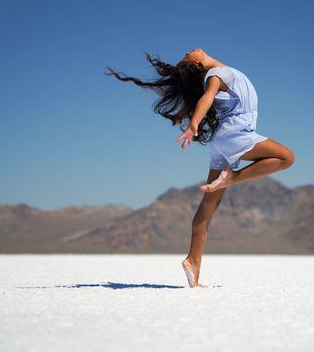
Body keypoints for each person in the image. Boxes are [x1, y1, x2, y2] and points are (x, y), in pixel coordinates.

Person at [105, 48, 295, 287]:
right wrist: (193, 124)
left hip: (221, 142)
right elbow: (207, 98)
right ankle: (233, 177)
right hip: (236, 135)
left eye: (185, 56)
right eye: (186, 58)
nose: (186, 53)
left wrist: (185, 114)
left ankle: (193, 262)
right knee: (286, 158)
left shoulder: (218, 73)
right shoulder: (216, 74)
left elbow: (201, 100)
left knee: (209, 205)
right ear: (198, 65)